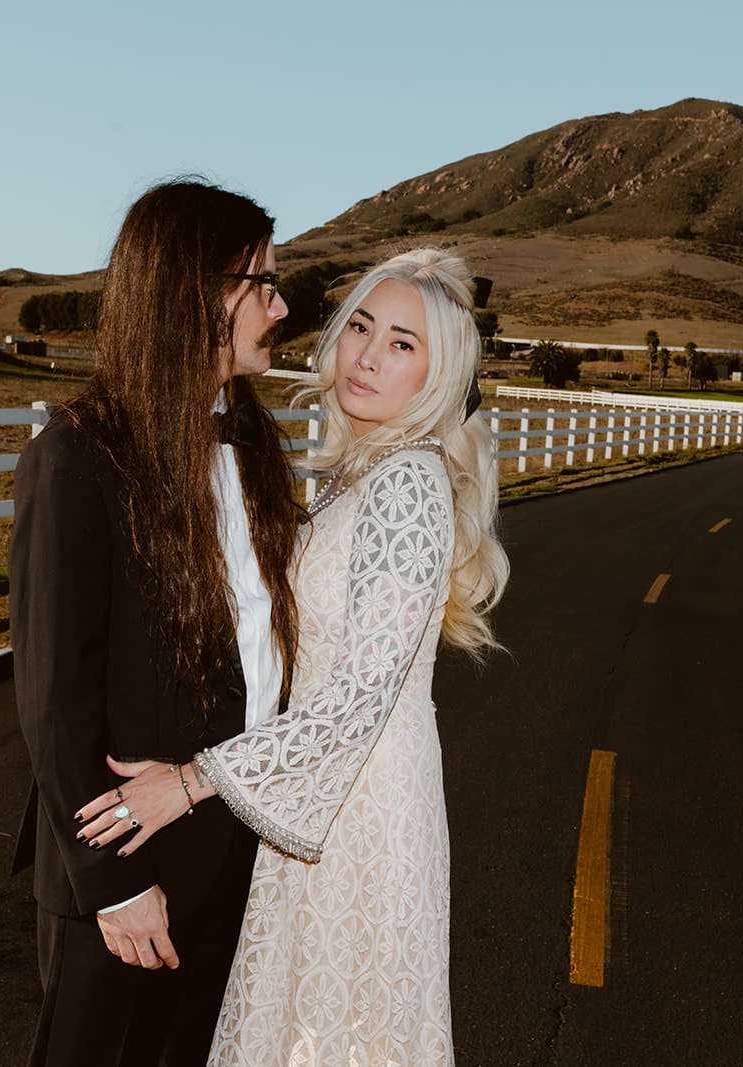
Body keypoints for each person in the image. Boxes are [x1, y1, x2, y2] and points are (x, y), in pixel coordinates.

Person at [76, 247, 509, 1065]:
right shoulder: (365, 470)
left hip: (366, 802)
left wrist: (189, 783)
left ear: (439, 374)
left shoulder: (407, 482)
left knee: (340, 1030)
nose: (370, 356)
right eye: (361, 328)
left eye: (404, 344)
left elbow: (361, 695)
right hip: (317, 793)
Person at [8, 179, 303, 1066]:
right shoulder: (76, 455)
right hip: (129, 863)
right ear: (198, 293)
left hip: (236, 841)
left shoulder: (255, 444)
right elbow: (53, 697)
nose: (281, 307)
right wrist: (115, 883)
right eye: (264, 285)